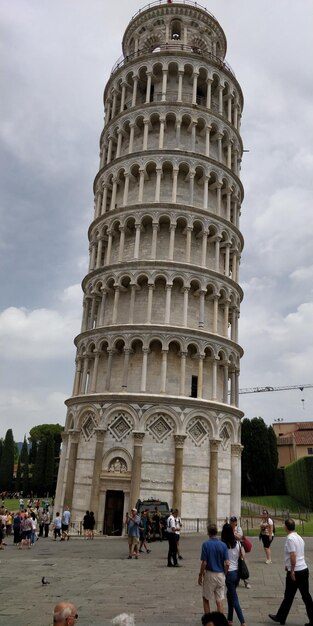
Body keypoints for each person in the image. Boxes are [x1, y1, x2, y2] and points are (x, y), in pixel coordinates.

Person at [268, 518, 313, 626]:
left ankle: (280, 617)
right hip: (303, 569)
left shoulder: (290, 539)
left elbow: (293, 555)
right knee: (304, 596)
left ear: (286, 527)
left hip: (296, 571)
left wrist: (292, 570)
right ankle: (281, 617)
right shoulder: (299, 537)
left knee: (289, 595)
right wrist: (288, 566)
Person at [198, 523, 229, 614]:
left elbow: (204, 562)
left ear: (208, 533)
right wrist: (225, 573)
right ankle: (220, 622)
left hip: (210, 574)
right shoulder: (223, 545)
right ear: (216, 532)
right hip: (220, 574)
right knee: (219, 601)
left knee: (206, 598)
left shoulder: (206, 544)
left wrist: (200, 575)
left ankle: (209, 621)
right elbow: (227, 563)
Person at [221, 522, 247, 626]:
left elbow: (224, 561)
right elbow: (242, 556)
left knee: (234, 597)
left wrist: (224, 573)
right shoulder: (238, 543)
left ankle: (242, 621)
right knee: (230, 595)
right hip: (237, 573)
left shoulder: (223, 545)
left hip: (229, 573)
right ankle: (230, 619)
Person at [229, 516, 251, 589]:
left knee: (242, 564)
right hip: (230, 548)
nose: (232, 523)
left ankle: (246, 582)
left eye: (234, 521)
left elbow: (239, 537)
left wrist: (233, 534)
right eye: (231, 521)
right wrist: (234, 534)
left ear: (236, 522)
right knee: (233, 565)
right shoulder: (228, 528)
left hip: (239, 548)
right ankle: (236, 580)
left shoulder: (238, 528)